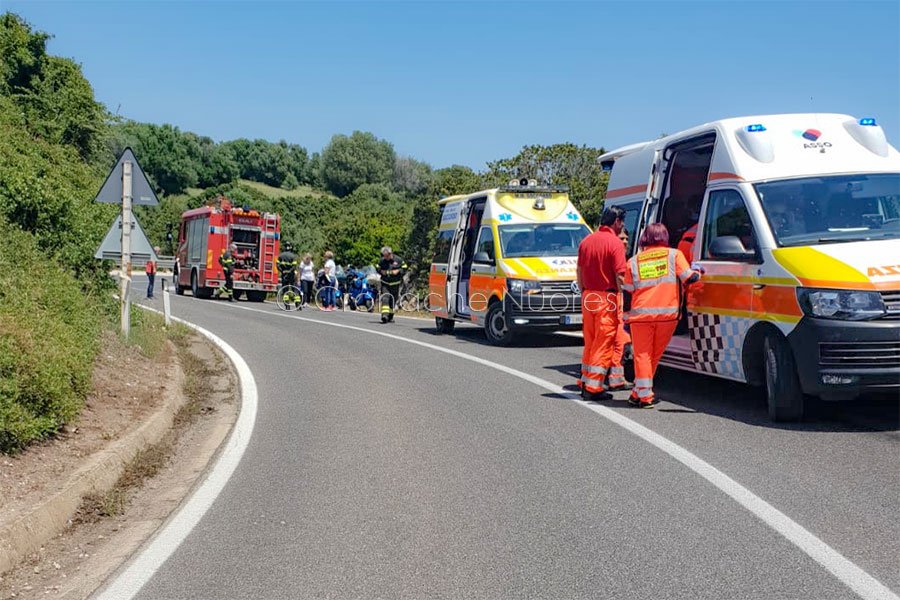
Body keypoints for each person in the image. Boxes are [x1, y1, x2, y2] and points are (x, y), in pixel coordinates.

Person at [622, 223, 700, 408]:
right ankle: (640, 393)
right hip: (667, 315)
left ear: (645, 238)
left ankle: (643, 394)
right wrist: (700, 272)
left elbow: (628, 291)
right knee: (654, 355)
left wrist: (625, 315)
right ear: (665, 237)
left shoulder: (634, 261)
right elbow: (689, 278)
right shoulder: (674, 255)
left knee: (643, 355)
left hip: (640, 316)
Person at [576, 206, 628, 400]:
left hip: (588, 296)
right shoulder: (615, 243)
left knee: (590, 341)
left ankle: (585, 380)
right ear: (616, 221)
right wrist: (626, 297)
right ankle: (593, 387)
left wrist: (584, 291)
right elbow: (620, 276)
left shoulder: (586, 241)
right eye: (621, 222)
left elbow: (579, 272)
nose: (622, 226)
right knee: (603, 343)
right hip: (607, 298)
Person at [608, 230, 633, 391]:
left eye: (626, 239)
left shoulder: (628, 259)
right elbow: (621, 282)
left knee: (622, 343)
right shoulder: (617, 258)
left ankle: (616, 377)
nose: (624, 241)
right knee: (621, 342)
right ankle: (616, 378)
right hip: (617, 306)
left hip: (625, 307)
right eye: (621, 238)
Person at [377, 246, 406, 323]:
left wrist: (398, 271)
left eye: (387, 256)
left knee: (393, 300)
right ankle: (384, 315)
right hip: (385, 283)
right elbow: (377, 267)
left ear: (390, 254)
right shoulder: (382, 261)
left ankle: (390, 316)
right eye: (384, 256)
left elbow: (405, 267)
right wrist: (381, 271)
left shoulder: (398, 259)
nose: (385, 257)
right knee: (385, 297)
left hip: (395, 284)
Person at [277, 242, 301, 307]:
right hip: (291, 275)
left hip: (284, 275)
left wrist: (282, 271)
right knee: (294, 289)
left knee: (285, 290)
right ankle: (298, 304)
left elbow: (277, 265)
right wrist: (289, 271)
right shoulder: (293, 256)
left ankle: (287, 305)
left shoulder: (280, 256)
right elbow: (294, 266)